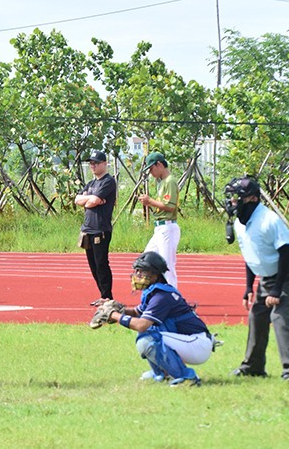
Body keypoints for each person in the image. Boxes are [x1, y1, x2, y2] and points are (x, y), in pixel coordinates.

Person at [224, 176, 289, 383]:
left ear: (252, 198)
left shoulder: (269, 220)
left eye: (237, 198)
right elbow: (250, 254)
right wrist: (248, 287)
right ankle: (253, 366)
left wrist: (276, 291)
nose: (233, 202)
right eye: (232, 198)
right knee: (257, 316)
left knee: (280, 316)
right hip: (267, 276)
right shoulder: (240, 223)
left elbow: (286, 254)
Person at [93, 251, 213, 386]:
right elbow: (136, 312)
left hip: (197, 344)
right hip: (190, 340)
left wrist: (112, 314)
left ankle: (185, 377)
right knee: (150, 333)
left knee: (147, 339)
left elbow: (141, 325)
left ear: (155, 274)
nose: (137, 274)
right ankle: (162, 374)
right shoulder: (156, 291)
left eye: (142, 271)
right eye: (136, 271)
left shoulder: (161, 296)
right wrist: (116, 309)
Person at [75, 150, 117, 301]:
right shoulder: (91, 183)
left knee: (101, 264)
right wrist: (90, 199)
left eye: (95, 163)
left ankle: (107, 296)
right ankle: (102, 294)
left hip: (101, 229)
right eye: (90, 163)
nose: (92, 166)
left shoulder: (108, 181)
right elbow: (77, 200)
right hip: (88, 229)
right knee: (93, 265)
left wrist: (90, 199)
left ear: (104, 164)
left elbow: (92, 201)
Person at [138, 152, 180, 287]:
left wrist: (150, 201)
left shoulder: (170, 181)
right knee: (146, 259)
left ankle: (173, 294)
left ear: (159, 164)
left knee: (167, 264)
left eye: (151, 169)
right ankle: (154, 290)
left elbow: (170, 206)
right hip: (160, 228)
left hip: (167, 227)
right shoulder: (161, 183)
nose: (151, 173)